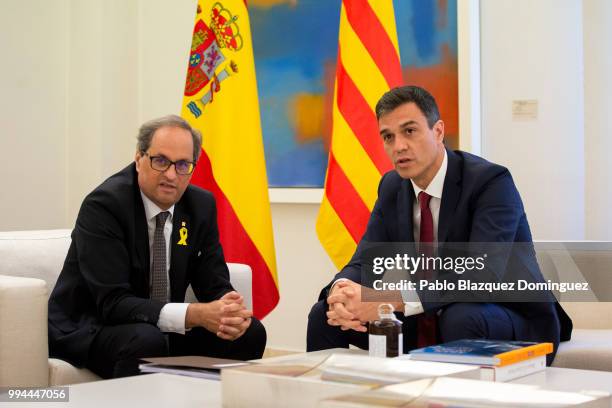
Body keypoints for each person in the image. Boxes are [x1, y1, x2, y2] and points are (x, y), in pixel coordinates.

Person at [307, 86, 572, 364]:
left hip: (506, 316)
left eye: (409, 131)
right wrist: (341, 290)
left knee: (462, 317)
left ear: (438, 131)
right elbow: (365, 261)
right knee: (324, 315)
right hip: (425, 315)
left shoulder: (490, 182)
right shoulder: (392, 186)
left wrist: (389, 299)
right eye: (388, 137)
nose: (398, 146)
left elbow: (482, 275)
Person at [48, 115, 266, 378]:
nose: (171, 175)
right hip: (96, 326)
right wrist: (194, 315)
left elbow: (214, 282)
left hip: (159, 327)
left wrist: (228, 309)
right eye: (161, 161)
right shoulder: (104, 206)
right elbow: (113, 303)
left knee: (250, 333)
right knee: (146, 340)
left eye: (183, 164)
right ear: (139, 159)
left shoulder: (201, 206)